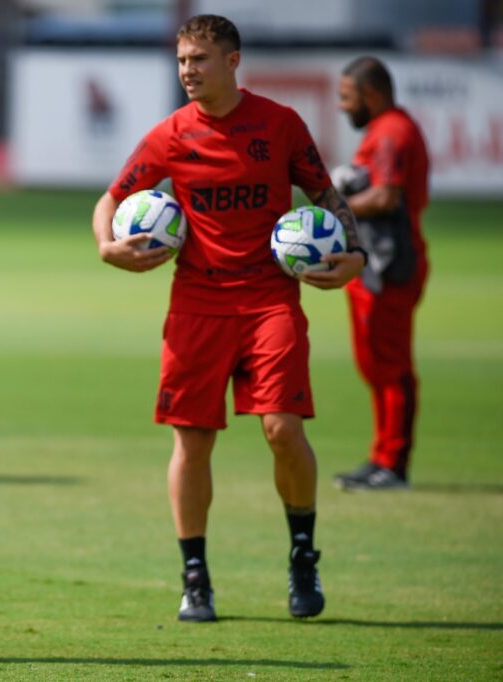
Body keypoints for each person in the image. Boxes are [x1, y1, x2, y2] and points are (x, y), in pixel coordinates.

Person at [90, 14, 366, 622]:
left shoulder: (280, 125)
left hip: (271, 301)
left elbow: (326, 195)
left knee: (282, 430)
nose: (187, 70)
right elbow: (111, 199)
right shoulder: (171, 134)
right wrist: (108, 246)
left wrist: (356, 256)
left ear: (233, 61)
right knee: (192, 440)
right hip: (196, 305)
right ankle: (195, 577)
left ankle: (301, 555)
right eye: (182, 60)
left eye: (199, 60)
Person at [331, 57, 430, 491]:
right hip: (378, 262)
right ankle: (381, 459)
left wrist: (336, 206)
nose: (341, 106)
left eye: (347, 98)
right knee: (376, 364)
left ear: (371, 96)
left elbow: (387, 197)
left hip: (390, 263)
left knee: (390, 366)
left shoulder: (391, 132)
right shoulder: (388, 129)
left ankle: (393, 464)